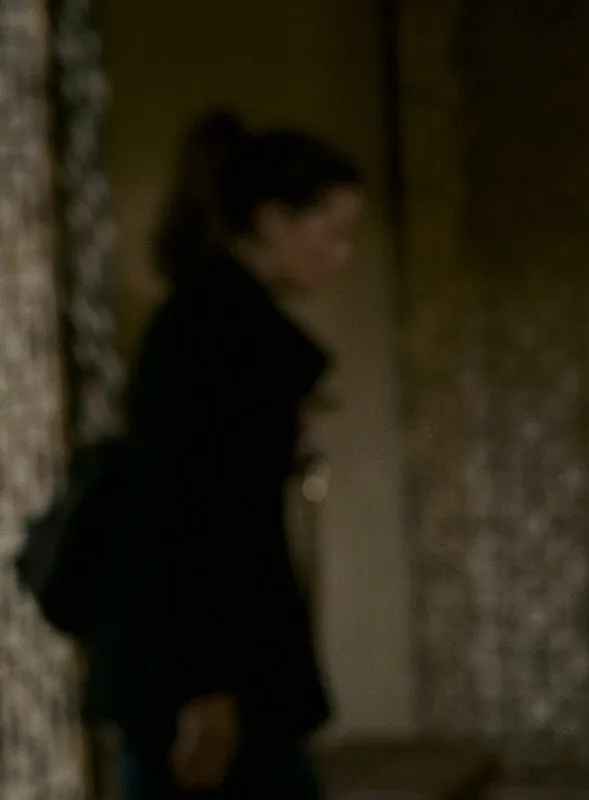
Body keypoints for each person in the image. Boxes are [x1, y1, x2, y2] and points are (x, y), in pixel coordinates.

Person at [86, 110, 363, 800]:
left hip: (216, 668)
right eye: (332, 233)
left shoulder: (219, 326)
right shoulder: (218, 335)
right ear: (273, 222)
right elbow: (190, 519)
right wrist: (206, 688)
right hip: (206, 677)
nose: (343, 256)